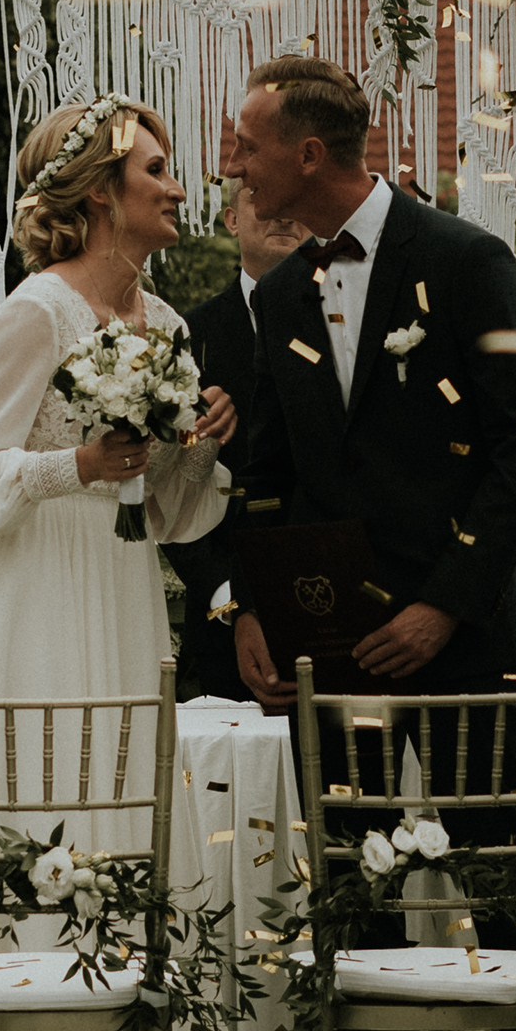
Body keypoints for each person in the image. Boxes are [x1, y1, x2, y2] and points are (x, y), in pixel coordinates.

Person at [0, 95, 237, 1031]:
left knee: (122, 817)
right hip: (31, 606)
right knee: (42, 817)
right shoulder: (34, 314)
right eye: (155, 169)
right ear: (101, 193)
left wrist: (193, 452)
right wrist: (77, 467)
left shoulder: (168, 322)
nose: (177, 186)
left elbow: (174, 518)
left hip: (119, 593)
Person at [217, 53, 516, 707]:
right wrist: (250, 607)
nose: (233, 167)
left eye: (248, 147)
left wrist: (444, 605)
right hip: (327, 646)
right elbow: (268, 473)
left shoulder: (467, 260)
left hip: (468, 647)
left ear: (310, 155)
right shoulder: (280, 294)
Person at [163, 183, 304, 701]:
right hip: (222, 619)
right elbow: (165, 478)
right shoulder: (187, 334)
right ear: (232, 220)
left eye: (293, 203)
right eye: (261, 200)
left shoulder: (343, 321)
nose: (282, 215)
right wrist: (229, 597)